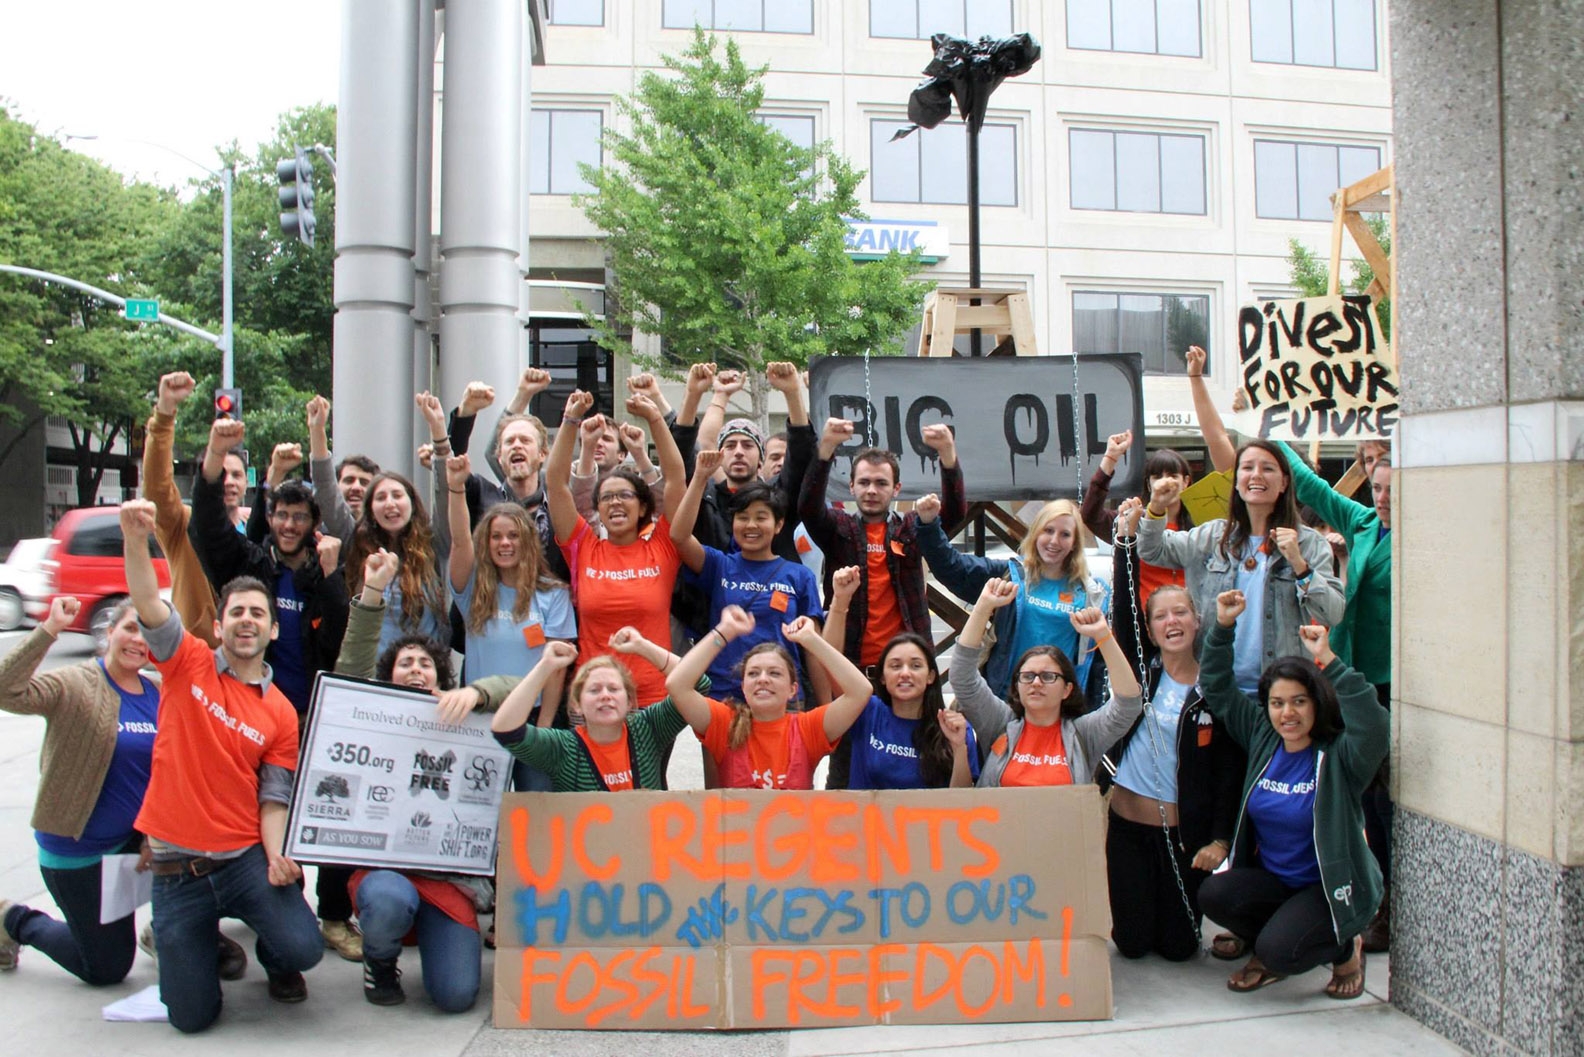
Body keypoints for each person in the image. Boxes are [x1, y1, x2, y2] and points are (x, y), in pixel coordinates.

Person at [119, 499, 322, 1032]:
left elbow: (274, 796)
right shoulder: (185, 661)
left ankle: (274, 961)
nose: (248, 621)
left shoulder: (280, 712)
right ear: (219, 623)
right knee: (191, 1018)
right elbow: (146, 600)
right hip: (175, 872)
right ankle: (201, 945)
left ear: (273, 630)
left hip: (241, 862)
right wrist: (136, 541)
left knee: (305, 948)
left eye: (259, 613)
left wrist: (277, 857)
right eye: (237, 612)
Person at [0, 596, 244, 983]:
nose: (138, 640)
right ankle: (14, 920)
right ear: (109, 632)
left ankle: (166, 931)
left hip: (132, 842)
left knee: (210, 841)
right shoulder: (75, 683)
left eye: (148, 633)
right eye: (130, 628)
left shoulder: (159, 691)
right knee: (105, 969)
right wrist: (49, 630)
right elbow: (5, 689)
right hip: (79, 850)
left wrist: (154, 834)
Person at [188, 417, 359, 959]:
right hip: (247, 717)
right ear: (269, 517)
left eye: (299, 517)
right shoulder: (252, 566)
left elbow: (339, 640)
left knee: (329, 815)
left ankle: (332, 917)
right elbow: (209, 530)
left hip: (310, 718)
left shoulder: (325, 573)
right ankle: (265, 921)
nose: (288, 524)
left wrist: (332, 579)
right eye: (281, 515)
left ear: (314, 524)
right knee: (254, 820)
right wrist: (216, 457)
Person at [332, 548, 509, 1011]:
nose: (415, 669)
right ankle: (380, 957)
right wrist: (372, 591)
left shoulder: (463, 715)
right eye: (405, 663)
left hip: (448, 879)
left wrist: (478, 691)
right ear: (388, 675)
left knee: (455, 997)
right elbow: (351, 663)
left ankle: (433, 939)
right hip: (387, 871)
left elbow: (516, 688)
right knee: (388, 901)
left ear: (440, 674)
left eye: (424, 663)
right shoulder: (371, 712)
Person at [1196, 589, 1387, 1000]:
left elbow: (1374, 725)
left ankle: (1344, 948)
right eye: (1278, 703)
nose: (1288, 713)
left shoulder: (1340, 757)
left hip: (1329, 888)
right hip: (1277, 883)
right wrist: (1223, 627)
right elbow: (1217, 686)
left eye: (1299, 701)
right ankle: (1277, 936)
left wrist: (1329, 661)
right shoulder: (1264, 737)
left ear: (1316, 704)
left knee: (1278, 952)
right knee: (1214, 894)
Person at [1276, 441, 1394, 951]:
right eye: (1378, 485)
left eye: (1395, 489)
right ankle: (1370, 898)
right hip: (1348, 675)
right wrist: (1261, 426)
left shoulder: (1429, 534)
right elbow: (1310, 486)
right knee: (1360, 799)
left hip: (1390, 684)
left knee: (1386, 801)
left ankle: (1385, 904)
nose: (1383, 496)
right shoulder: (1365, 521)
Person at [1097, 580, 1244, 961]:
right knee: (1131, 943)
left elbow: (1228, 773)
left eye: (1180, 612)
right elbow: (1124, 605)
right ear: (1149, 631)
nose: (1171, 621)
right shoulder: (1141, 675)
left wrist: (1221, 840)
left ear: (1197, 621)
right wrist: (1126, 539)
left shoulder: (1216, 688)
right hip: (1127, 830)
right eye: (1160, 616)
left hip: (1184, 838)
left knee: (1180, 947)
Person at [1137, 439, 1344, 695]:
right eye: (1247, 468)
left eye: (1268, 468)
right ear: (1236, 481)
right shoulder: (1213, 536)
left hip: (1282, 694)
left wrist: (1300, 566)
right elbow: (1152, 550)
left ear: (1284, 482)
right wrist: (1156, 508)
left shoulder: (1309, 543)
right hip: (1217, 689)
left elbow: (1333, 613)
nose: (1256, 475)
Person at [547, 389, 686, 708]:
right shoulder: (583, 546)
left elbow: (676, 478)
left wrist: (654, 419)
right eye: (607, 497)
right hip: (592, 697)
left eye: (625, 495)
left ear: (642, 508)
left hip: (653, 700)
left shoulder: (662, 546)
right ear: (598, 509)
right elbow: (556, 482)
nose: (616, 502)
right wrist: (571, 422)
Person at [446, 453, 577, 790]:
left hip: (532, 720)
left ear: (528, 541)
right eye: (496, 537)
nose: (505, 543)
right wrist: (456, 489)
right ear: (486, 543)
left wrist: (545, 726)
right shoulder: (472, 589)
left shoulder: (553, 594)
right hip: (480, 716)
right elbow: (460, 539)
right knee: (481, 816)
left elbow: (556, 666)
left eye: (514, 536)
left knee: (535, 810)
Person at [798, 417, 965, 667]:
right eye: (864, 482)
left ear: (896, 489)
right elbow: (808, 508)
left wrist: (947, 454)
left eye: (881, 483)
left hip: (906, 669)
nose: (872, 490)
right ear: (851, 487)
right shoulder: (837, 528)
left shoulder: (911, 527)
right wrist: (826, 449)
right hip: (851, 668)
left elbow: (953, 513)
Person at [951, 579, 1142, 789]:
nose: (1036, 683)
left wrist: (1103, 636)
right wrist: (983, 607)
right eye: (1027, 676)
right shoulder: (999, 723)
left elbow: (1128, 705)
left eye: (1049, 676)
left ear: (1067, 689)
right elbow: (963, 678)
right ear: (1016, 687)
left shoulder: (1084, 734)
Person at [917, 493, 1110, 701]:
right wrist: (929, 525)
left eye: (1065, 534)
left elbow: (1098, 664)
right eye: (1048, 531)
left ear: (1074, 543)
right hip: (1007, 704)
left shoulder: (1091, 593)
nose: (1054, 541)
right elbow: (952, 568)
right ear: (1035, 533)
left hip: (1061, 708)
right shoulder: (1010, 576)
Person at [671, 449, 825, 706]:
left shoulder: (800, 576)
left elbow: (814, 650)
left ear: (778, 525)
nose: (751, 525)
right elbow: (679, 537)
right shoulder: (718, 565)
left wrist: (825, 709)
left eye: (761, 517)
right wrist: (699, 478)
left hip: (782, 702)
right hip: (724, 698)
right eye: (742, 518)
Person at [665, 606, 874, 790]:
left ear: (793, 689)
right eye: (753, 674)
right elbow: (677, 686)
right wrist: (723, 632)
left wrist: (812, 640)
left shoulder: (808, 728)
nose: (763, 680)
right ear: (743, 687)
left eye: (774, 673)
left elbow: (860, 691)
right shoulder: (725, 723)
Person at [491, 631, 693, 792]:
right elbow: (505, 730)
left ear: (630, 701)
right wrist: (545, 666)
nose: (605, 696)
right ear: (577, 704)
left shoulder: (648, 730)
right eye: (594, 690)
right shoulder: (564, 748)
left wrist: (642, 646)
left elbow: (696, 684)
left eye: (613, 689)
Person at [1079, 424, 1194, 670]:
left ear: (1186, 481)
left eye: (1173, 475)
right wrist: (1110, 460)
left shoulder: (1200, 527)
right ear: (1149, 484)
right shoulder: (1135, 521)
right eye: (1158, 476)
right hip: (1141, 629)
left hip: (1189, 629)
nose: (1166, 483)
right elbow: (1090, 515)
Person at [344, 396, 452, 654]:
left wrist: (438, 432)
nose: (390, 504)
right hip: (375, 678)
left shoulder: (433, 544)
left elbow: (445, 492)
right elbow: (328, 497)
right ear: (370, 510)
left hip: (425, 676)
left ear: (412, 502)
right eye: (381, 498)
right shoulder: (358, 546)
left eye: (397, 496)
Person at [445, 369, 568, 580]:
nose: (517, 446)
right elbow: (451, 463)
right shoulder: (480, 494)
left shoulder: (561, 502)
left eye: (525, 441)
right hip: (488, 606)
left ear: (542, 454)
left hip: (551, 608)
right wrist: (466, 412)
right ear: (499, 457)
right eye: (509, 442)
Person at [141, 370, 218, 645]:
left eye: (236, 475)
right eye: (220, 473)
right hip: (195, 664)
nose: (227, 482)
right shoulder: (183, 526)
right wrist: (164, 414)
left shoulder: (255, 532)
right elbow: (157, 488)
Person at [304, 393, 378, 543]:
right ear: (337, 486)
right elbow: (324, 485)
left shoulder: (393, 533)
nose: (356, 487)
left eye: (364, 483)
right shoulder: (332, 530)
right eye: (349, 480)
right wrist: (316, 428)